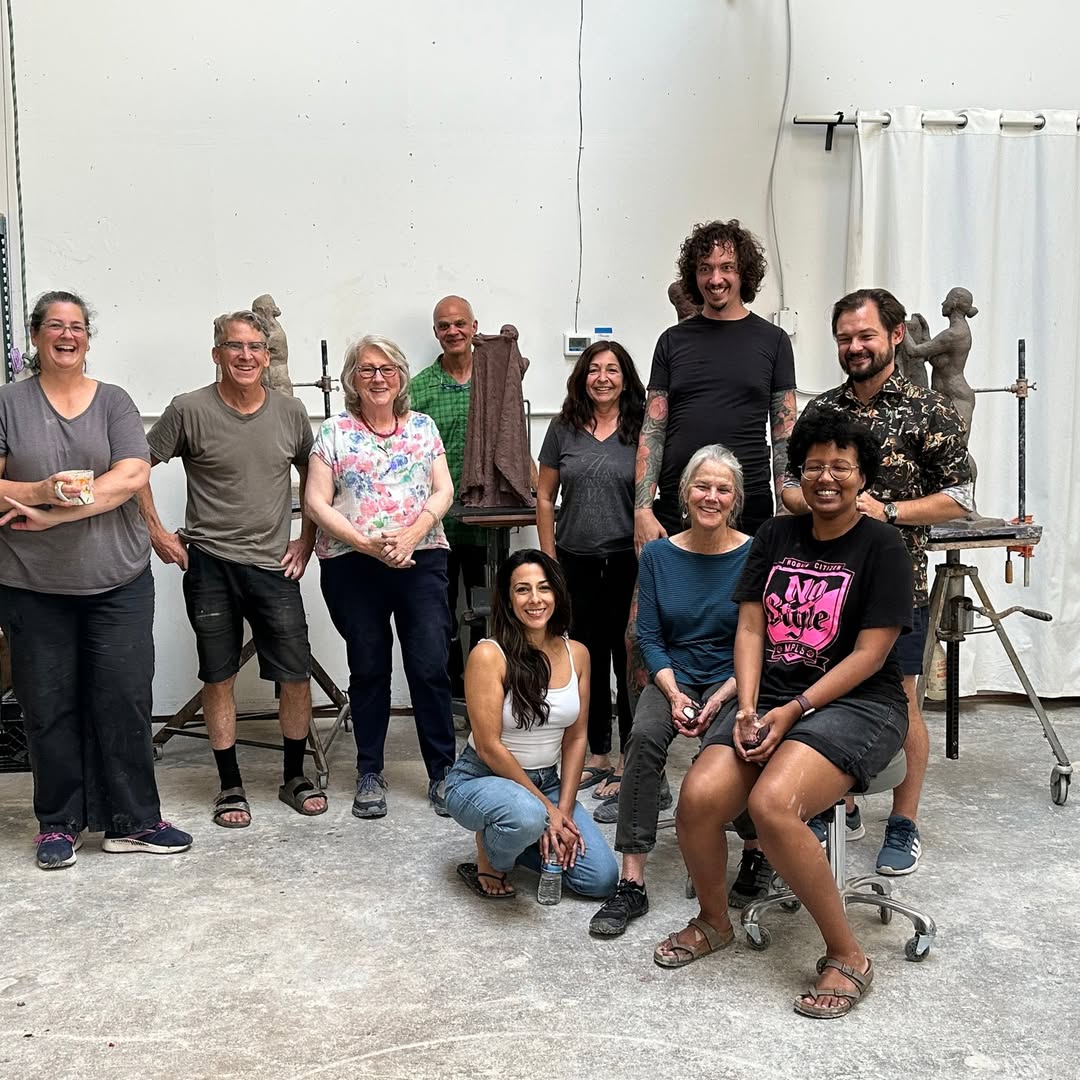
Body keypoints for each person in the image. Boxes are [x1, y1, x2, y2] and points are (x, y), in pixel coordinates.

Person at [665, 412, 912, 1019]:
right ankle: (714, 920)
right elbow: (751, 626)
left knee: (773, 804)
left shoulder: (883, 546)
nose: (827, 478)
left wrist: (796, 708)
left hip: (859, 704)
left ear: (862, 476)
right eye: (815, 466)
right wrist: (749, 706)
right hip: (772, 694)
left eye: (841, 467)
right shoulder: (776, 534)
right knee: (698, 798)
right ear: (799, 474)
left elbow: (871, 654)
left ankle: (848, 955)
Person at [783, 288, 971, 875]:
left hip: (895, 589)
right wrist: (816, 500)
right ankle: (835, 802)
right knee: (824, 695)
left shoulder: (930, 410)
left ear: (895, 335)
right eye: (845, 338)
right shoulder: (822, 412)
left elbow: (961, 497)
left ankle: (904, 822)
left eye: (865, 335)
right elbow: (788, 483)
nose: (855, 347)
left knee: (902, 702)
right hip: (822, 589)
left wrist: (888, 511)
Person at [0, 290, 191, 868]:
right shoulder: (8, 403)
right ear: (36, 336)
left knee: (125, 700)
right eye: (55, 326)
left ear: (88, 338)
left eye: (77, 326)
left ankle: (133, 822)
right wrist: (39, 491)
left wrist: (56, 513)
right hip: (33, 584)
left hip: (118, 581)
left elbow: (131, 474)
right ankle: (58, 825)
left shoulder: (114, 401)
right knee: (48, 705)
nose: (67, 335)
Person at [139, 309, 324, 829]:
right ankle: (230, 786)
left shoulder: (291, 412)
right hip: (211, 566)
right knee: (218, 676)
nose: (246, 355)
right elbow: (134, 467)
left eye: (255, 347)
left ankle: (294, 777)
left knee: (295, 675)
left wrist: (306, 539)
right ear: (217, 353)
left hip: (272, 565)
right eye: (234, 346)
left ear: (267, 355)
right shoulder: (188, 409)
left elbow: (315, 475)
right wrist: (157, 533)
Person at [588, 446, 750, 935]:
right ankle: (631, 881)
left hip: (733, 677)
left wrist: (721, 697)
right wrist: (676, 694)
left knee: (733, 747)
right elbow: (650, 637)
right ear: (684, 494)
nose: (711, 497)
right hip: (674, 675)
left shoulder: (753, 554)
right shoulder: (658, 554)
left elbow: (758, 640)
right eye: (702, 486)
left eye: (723, 489)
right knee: (642, 738)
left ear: (736, 499)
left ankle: (756, 852)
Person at [305, 334, 457, 819]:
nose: (377, 377)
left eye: (387, 368)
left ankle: (444, 773)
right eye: (367, 369)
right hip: (353, 564)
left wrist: (411, 535)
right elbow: (315, 501)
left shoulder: (424, 427)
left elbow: (443, 490)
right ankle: (369, 771)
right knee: (369, 667)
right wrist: (366, 544)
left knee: (430, 665)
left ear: (401, 377)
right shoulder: (333, 432)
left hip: (421, 558)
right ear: (352, 378)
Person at [443, 550, 618, 899]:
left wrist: (562, 811)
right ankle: (492, 853)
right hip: (481, 778)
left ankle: (520, 834)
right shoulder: (488, 655)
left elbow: (576, 737)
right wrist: (546, 812)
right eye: (522, 589)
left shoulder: (578, 654)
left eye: (544, 588)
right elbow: (489, 746)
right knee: (526, 815)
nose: (535, 599)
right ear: (508, 599)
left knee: (601, 879)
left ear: (557, 593)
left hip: (546, 781)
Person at [635, 219, 797, 549]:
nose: (715, 279)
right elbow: (653, 430)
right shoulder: (671, 341)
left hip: (748, 504)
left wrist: (785, 510)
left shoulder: (774, 341)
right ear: (693, 276)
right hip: (677, 506)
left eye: (727, 267)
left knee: (747, 587)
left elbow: (785, 436)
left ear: (744, 273)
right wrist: (642, 509)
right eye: (705, 268)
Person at [536, 340, 645, 801]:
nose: (602, 377)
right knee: (586, 658)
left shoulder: (643, 429)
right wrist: (548, 561)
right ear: (582, 377)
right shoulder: (562, 428)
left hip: (628, 560)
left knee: (629, 658)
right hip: (574, 561)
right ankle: (597, 753)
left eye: (612, 369)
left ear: (626, 379)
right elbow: (545, 497)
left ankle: (630, 759)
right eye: (594, 369)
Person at [410, 296, 488, 697]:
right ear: (435, 332)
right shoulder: (419, 388)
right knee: (438, 614)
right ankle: (448, 693)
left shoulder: (494, 381)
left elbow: (512, 436)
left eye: (460, 324)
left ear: (474, 327)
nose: (453, 331)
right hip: (433, 524)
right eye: (444, 326)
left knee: (488, 610)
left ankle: (484, 689)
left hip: (487, 524)